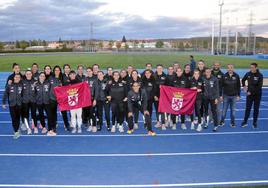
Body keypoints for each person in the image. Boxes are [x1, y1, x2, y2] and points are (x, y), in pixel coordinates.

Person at [241, 63, 263, 128]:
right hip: (249, 95)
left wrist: (250, 92)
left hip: (257, 95)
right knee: (248, 108)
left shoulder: (260, 75)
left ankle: (254, 122)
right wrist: (244, 86)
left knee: (256, 109)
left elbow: (259, 86)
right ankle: (245, 121)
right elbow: (243, 80)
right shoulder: (248, 74)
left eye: (253, 67)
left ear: (256, 68)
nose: (251, 69)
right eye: (250, 67)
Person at [2, 74, 23, 139]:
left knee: (18, 118)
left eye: (19, 77)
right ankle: (16, 131)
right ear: (14, 78)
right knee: (13, 118)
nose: (17, 78)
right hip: (12, 105)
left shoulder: (21, 85)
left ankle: (17, 129)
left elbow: (23, 94)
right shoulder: (9, 85)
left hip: (19, 104)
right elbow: (5, 94)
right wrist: (3, 103)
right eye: (16, 77)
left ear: (20, 78)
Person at [47, 65, 62, 136]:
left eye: (58, 70)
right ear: (53, 71)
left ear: (60, 71)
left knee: (55, 113)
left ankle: (54, 124)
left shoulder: (61, 79)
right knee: (51, 113)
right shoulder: (50, 78)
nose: (57, 71)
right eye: (55, 70)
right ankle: (51, 127)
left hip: (58, 99)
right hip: (51, 98)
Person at [21, 70, 37, 134]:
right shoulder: (22, 82)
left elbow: (37, 90)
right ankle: (28, 128)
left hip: (33, 101)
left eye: (29, 73)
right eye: (27, 74)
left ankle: (35, 127)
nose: (28, 75)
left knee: (34, 114)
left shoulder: (35, 82)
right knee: (26, 115)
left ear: (31, 74)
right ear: (25, 75)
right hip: (25, 101)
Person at [154, 64, 167, 130]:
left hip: (163, 96)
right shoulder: (153, 76)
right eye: (158, 68)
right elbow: (152, 87)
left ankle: (163, 124)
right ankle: (158, 122)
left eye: (160, 68)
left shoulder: (165, 76)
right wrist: (154, 95)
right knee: (157, 110)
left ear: (162, 69)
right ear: (156, 69)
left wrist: (163, 87)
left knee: (163, 110)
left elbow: (168, 87)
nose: (159, 69)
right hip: (156, 96)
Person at [84, 67, 97, 132]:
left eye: (90, 71)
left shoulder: (95, 79)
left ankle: (94, 126)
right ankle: (89, 125)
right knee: (88, 113)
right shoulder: (85, 79)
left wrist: (95, 99)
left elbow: (96, 90)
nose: (88, 72)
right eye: (87, 71)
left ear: (92, 71)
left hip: (92, 99)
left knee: (92, 113)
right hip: (86, 99)